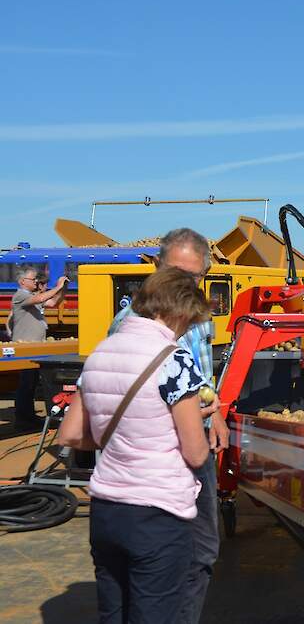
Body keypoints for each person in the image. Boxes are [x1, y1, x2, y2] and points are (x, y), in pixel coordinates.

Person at [58, 267, 212, 623]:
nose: (187, 330)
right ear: (177, 312)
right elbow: (195, 452)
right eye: (189, 323)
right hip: (158, 515)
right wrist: (199, 415)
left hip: (107, 511)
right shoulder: (173, 359)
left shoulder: (99, 353)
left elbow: (70, 434)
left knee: (113, 613)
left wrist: (128, 436)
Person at [105, 227, 227, 623]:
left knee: (196, 552)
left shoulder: (197, 318)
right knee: (180, 555)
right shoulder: (130, 322)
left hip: (190, 443)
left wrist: (217, 412)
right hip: (161, 457)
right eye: (177, 272)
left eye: (194, 278)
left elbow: (203, 379)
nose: (185, 284)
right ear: (155, 266)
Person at [10, 266, 68, 429]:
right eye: (33, 279)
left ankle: (28, 416)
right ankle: (23, 418)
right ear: (22, 282)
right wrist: (57, 286)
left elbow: (53, 302)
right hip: (25, 348)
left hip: (35, 348)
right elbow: (41, 299)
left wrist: (63, 288)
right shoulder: (21, 296)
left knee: (32, 383)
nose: (36, 282)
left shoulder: (31, 297)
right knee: (26, 383)